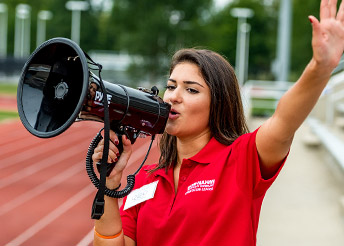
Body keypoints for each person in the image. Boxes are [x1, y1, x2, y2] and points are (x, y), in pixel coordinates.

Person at [92, 0, 344, 245]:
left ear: (218, 103)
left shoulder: (241, 160)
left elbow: (284, 120)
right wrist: (109, 186)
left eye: (191, 90)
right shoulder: (147, 180)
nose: (174, 97)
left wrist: (319, 68)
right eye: (171, 86)